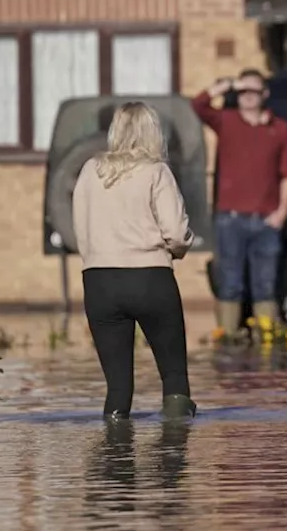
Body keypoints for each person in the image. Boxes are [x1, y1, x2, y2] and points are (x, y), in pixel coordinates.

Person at [73, 102, 196, 420]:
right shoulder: (157, 171)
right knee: (174, 378)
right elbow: (178, 234)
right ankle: (174, 461)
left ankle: (115, 460)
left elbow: (80, 228)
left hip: (99, 281)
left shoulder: (89, 170)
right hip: (150, 278)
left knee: (116, 387)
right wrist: (175, 253)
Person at [191, 68, 287, 335]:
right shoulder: (226, 121)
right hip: (230, 219)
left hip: (266, 221)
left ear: (265, 94)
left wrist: (282, 213)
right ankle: (227, 339)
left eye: (254, 91)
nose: (248, 96)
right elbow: (198, 105)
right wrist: (226, 84)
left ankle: (266, 340)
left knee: (265, 286)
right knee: (230, 284)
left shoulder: (280, 129)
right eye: (243, 92)